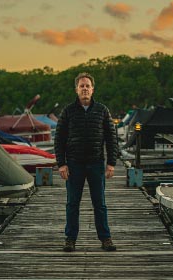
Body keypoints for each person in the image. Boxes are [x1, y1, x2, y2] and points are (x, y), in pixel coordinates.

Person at [54, 72, 118, 252]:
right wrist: (61, 164)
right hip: (74, 165)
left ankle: (105, 239)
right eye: (81, 86)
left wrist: (111, 163)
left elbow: (112, 138)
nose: (84, 89)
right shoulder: (68, 112)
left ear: (92, 89)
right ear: (76, 89)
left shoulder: (102, 111)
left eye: (87, 86)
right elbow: (59, 139)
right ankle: (70, 239)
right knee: (72, 204)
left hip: (96, 163)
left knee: (100, 204)